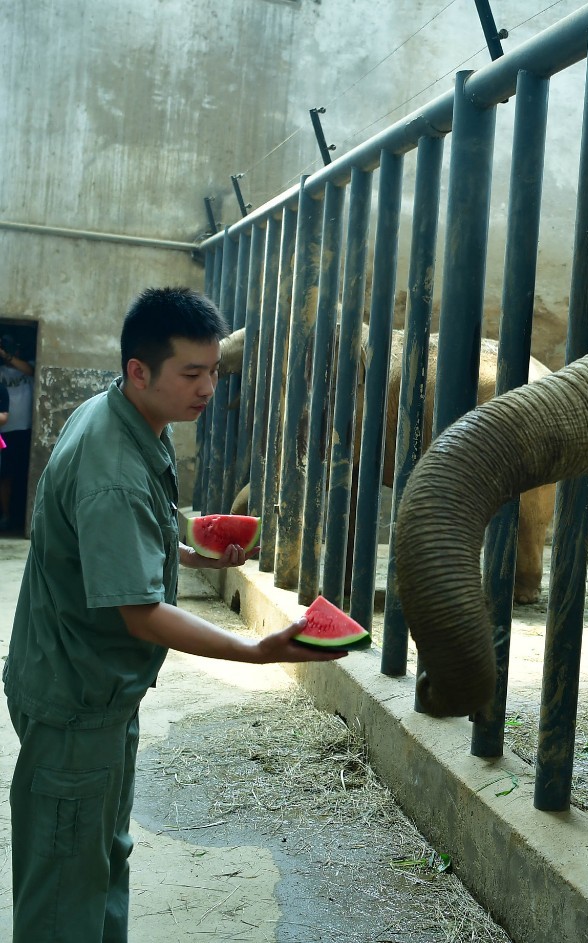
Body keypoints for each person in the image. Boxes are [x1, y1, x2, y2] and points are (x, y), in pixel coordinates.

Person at [3, 286, 345, 943]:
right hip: (75, 700)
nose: (208, 387)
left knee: (103, 859)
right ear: (140, 370)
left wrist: (195, 554)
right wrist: (255, 651)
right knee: (64, 890)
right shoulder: (114, 469)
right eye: (191, 373)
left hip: (100, 692)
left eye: (215, 371)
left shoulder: (126, 419)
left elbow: (134, 533)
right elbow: (140, 613)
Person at [0, 331, 34, 532]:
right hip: (5, 431)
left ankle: (16, 517)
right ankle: (6, 516)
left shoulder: (26, 367)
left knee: (21, 475)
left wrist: (8, 355)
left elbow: (30, 370)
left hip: (25, 430)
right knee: (5, 476)